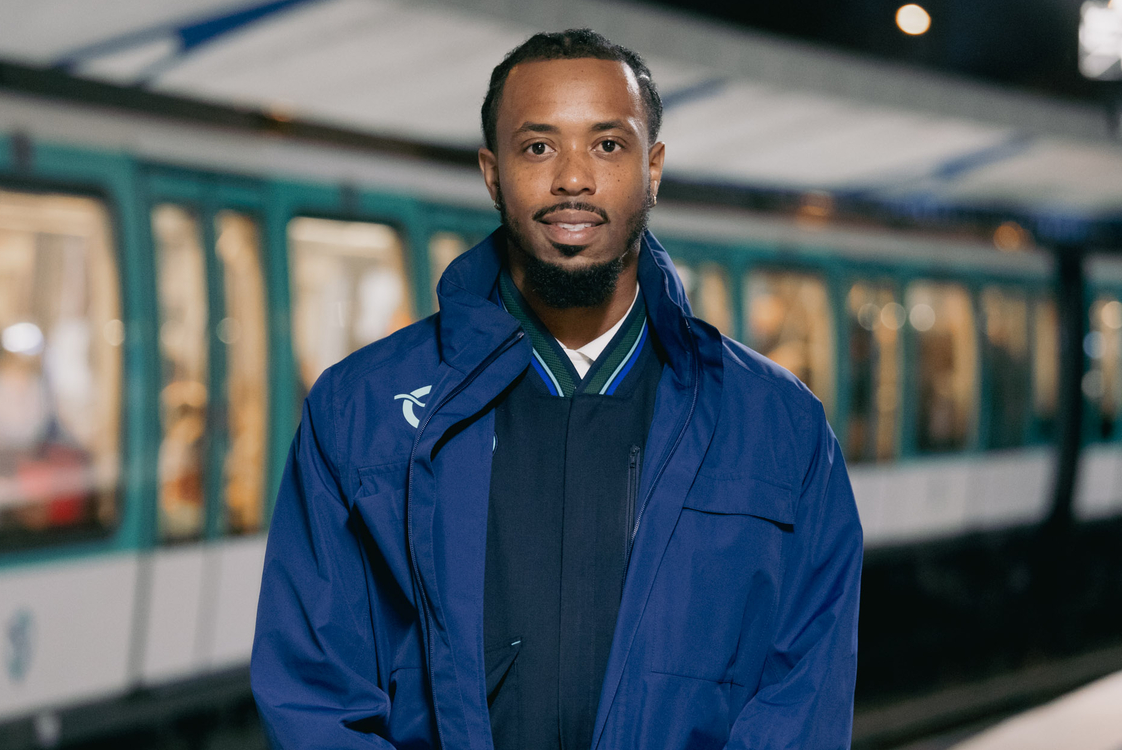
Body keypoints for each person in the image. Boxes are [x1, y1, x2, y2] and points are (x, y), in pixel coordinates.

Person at [252, 29, 863, 750]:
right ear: (492, 172)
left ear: (653, 168)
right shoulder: (360, 411)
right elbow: (315, 697)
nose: (573, 177)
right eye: (537, 147)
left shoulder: (779, 424)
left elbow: (803, 699)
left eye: (608, 145)